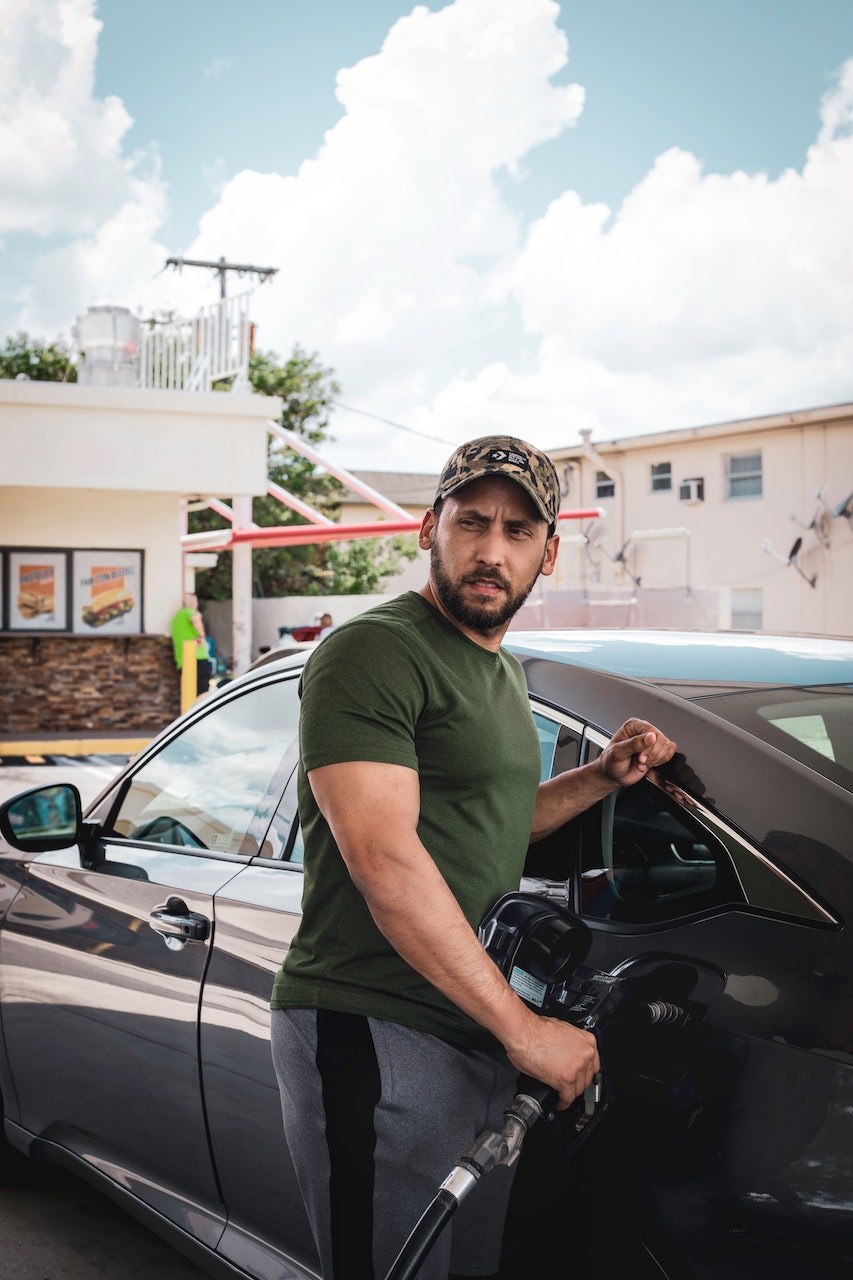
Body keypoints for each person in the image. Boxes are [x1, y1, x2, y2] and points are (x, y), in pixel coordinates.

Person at [269, 434, 677, 1280]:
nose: (493, 551)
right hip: (371, 1020)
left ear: (549, 554)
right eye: (473, 522)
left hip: (469, 1025)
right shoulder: (375, 650)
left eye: (519, 531)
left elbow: (491, 823)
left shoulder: (500, 672)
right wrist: (523, 1030)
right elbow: (384, 858)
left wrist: (601, 778)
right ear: (429, 528)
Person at [170, 591, 211, 696]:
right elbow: (195, 618)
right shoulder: (189, 612)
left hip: (183, 661)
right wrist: (201, 635)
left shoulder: (176, 617)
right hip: (198, 659)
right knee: (202, 693)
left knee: (189, 694)